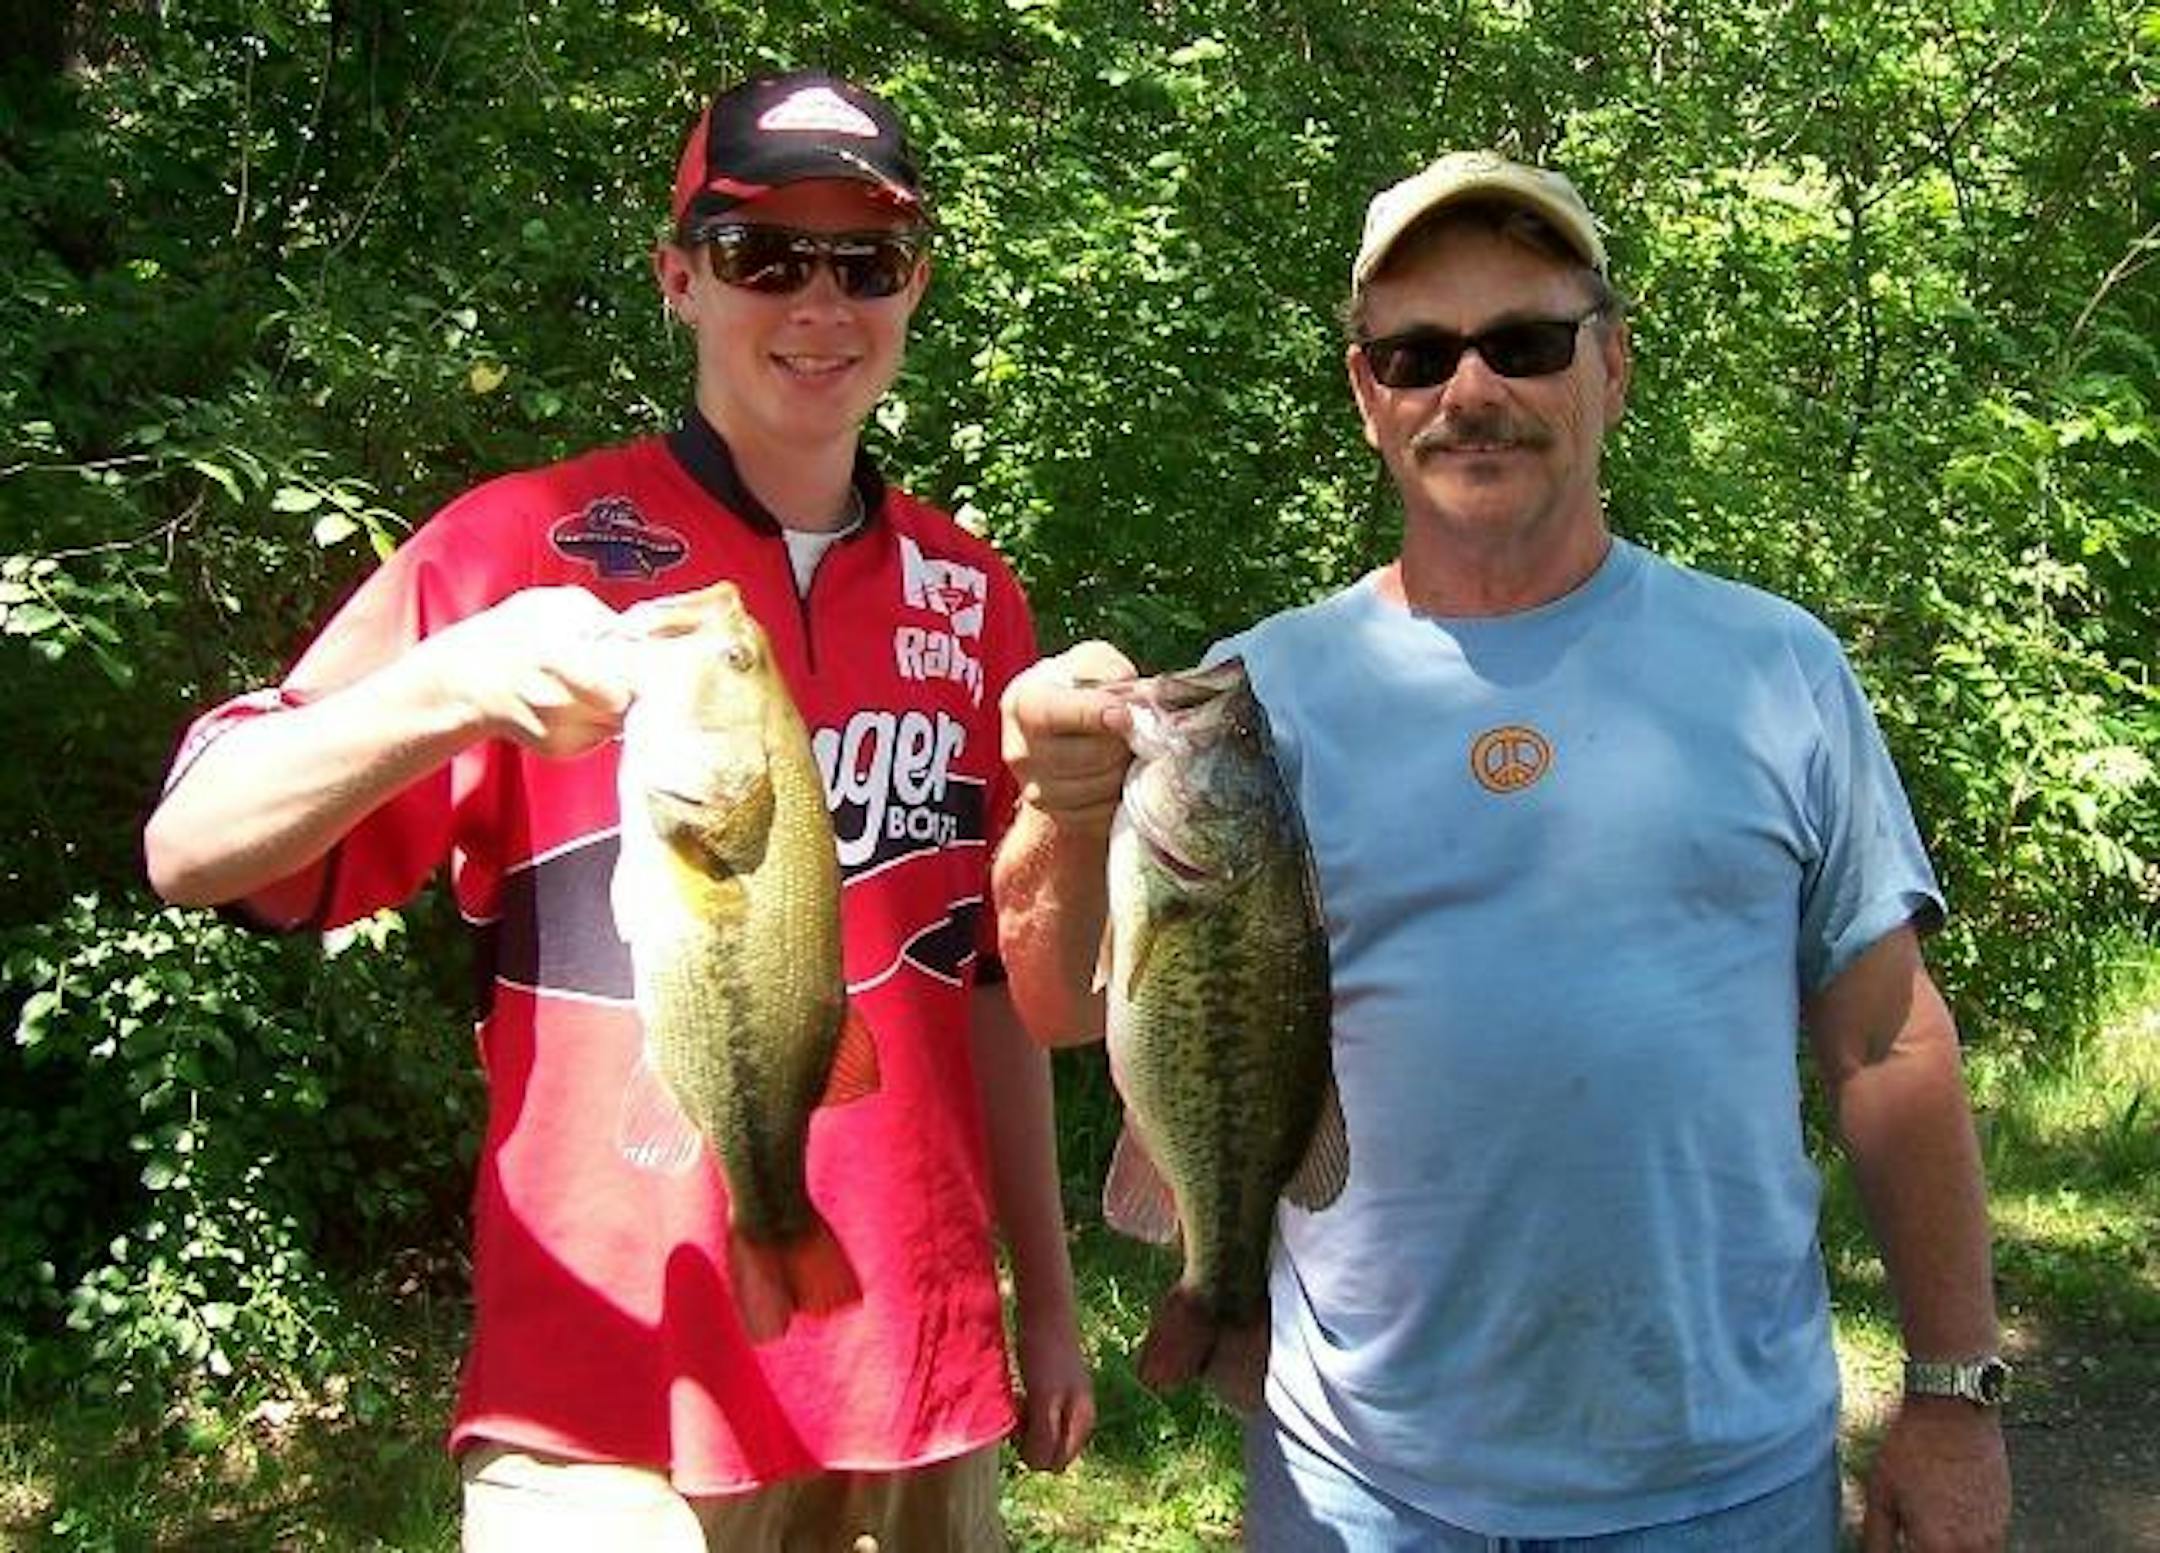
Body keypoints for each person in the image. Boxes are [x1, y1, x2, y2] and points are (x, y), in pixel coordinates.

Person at [994, 151, 2011, 1550]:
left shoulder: (1777, 667)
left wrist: (1953, 1393)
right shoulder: (1253, 695)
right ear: (1368, 396)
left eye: (1524, 343)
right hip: (1360, 1488)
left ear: (1613, 368)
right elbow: (1058, 1004)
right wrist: (1063, 801)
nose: (1469, 391)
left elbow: (1889, 1045)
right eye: (1418, 354)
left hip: (1727, 1485)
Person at [144, 69, 1092, 1550]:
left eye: (867, 261)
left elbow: (986, 991)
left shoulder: (976, 598)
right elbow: (192, 846)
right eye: (762, 254)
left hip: (910, 1362)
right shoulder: (519, 545)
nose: (818, 304)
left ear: (914, 289)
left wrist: (1047, 1299)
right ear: (678, 278)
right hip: (605, 1398)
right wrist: (447, 685)